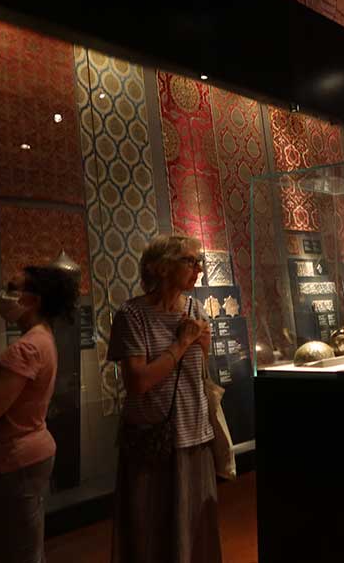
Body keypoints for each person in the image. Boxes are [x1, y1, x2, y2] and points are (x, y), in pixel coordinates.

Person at [0, 265, 79, 563]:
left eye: (13, 288)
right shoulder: (41, 338)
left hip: (12, 460)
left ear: (33, 300)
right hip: (21, 457)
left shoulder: (28, 347)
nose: (5, 295)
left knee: (17, 551)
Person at [109, 235, 222, 563]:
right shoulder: (132, 314)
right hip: (153, 440)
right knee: (151, 532)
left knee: (194, 530)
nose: (198, 269)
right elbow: (138, 382)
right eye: (190, 261)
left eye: (199, 262)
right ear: (160, 267)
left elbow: (197, 370)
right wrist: (183, 343)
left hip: (194, 434)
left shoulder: (194, 308)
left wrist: (202, 345)